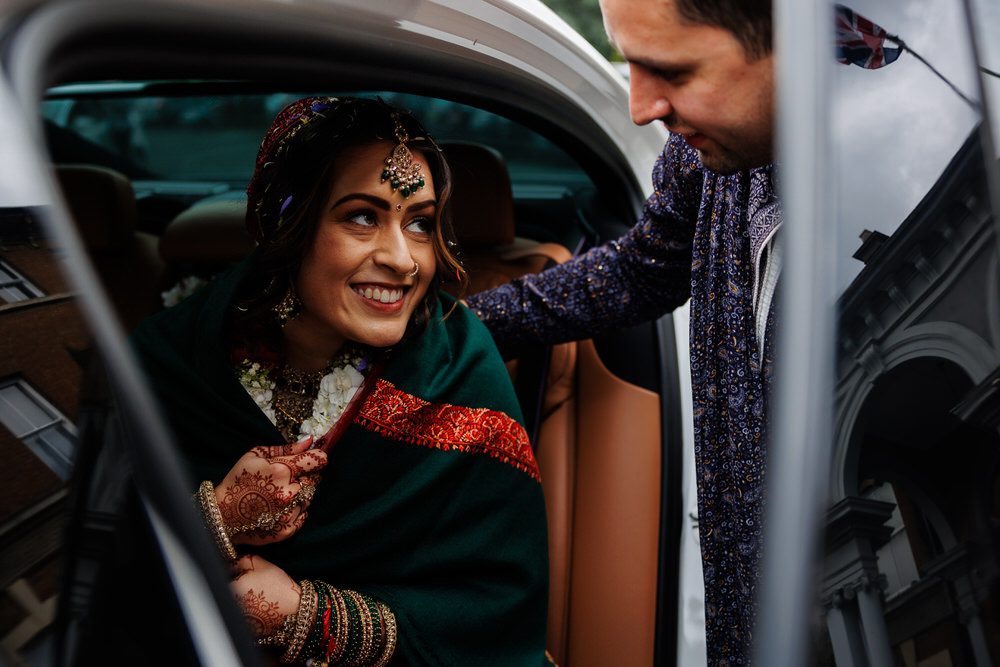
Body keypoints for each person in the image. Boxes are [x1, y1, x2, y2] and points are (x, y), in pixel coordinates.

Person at [131, 96, 549, 665]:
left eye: (421, 224)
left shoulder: (459, 373)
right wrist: (215, 520)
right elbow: (80, 556)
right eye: (361, 216)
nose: (403, 260)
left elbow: (496, 610)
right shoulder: (170, 359)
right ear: (289, 223)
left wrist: (307, 615)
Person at [465, 0, 777, 664]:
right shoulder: (707, 161)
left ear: (794, 46)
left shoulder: (896, 178)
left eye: (668, 68)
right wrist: (458, 329)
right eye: (628, 62)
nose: (640, 108)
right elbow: (639, 271)